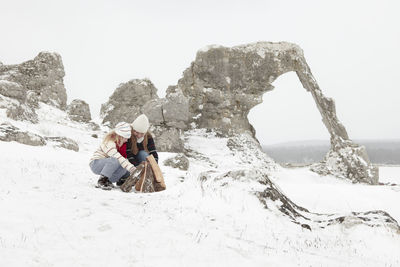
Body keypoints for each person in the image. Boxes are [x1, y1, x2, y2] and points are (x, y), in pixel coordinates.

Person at [89, 122, 136, 190]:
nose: (127, 140)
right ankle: (102, 180)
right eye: (125, 138)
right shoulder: (109, 142)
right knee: (115, 160)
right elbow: (117, 157)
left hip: (108, 165)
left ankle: (113, 181)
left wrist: (129, 172)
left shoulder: (120, 144)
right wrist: (131, 168)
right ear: (120, 136)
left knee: (122, 166)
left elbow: (123, 160)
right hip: (96, 164)